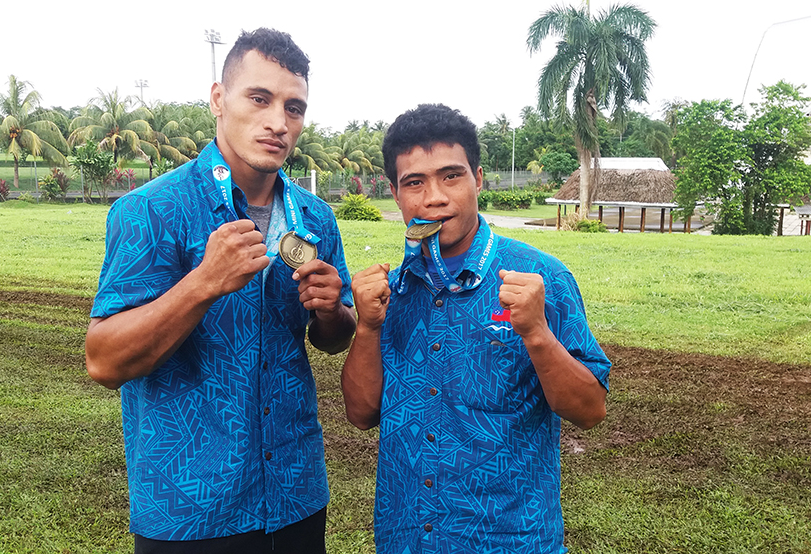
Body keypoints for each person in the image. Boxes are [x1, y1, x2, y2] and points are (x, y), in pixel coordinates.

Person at [85, 28, 356, 553]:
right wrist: (204, 283)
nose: (278, 122)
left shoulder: (315, 217)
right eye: (260, 99)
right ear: (218, 99)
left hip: (296, 496)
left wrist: (330, 313)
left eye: (294, 107)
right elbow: (104, 362)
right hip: (191, 508)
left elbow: (332, 339)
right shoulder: (152, 210)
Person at [342, 103, 611, 553]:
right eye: (415, 183)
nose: (434, 198)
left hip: (510, 541)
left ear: (478, 179)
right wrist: (368, 328)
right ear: (394, 192)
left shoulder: (541, 278)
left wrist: (538, 334)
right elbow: (361, 414)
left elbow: (590, 410)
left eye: (451, 176)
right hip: (406, 538)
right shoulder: (391, 291)